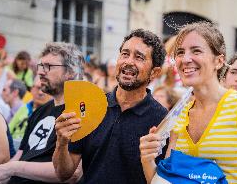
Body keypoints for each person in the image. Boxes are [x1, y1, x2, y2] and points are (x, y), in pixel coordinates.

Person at [139, 22, 237, 184]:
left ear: (218, 61)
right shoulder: (180, 114)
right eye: (180, 52)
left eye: (196, 51)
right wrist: (147, 159)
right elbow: (167, 180)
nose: (185, 59)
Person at [53, 29, 168, 184]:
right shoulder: (90, 106)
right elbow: (63, 174)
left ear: (154, 73)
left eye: (139, 57)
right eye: (125, 54)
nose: (128, 61)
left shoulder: (162, 121)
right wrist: (62, 142)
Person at [0, 42, 84, 184]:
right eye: (41, 66)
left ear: (71, 72)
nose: (41, 72)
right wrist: (2, 171)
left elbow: (72, 173)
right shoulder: (40, 110)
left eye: (48, 66)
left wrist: (12, 168)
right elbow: (20, 155)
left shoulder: (80, 112)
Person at [9, 76, 52, 150]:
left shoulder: (52, 113)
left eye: (45, 89)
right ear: (32, 89)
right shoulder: (24, 108)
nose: (40, 92)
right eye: (38, 88)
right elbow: (9, 130)